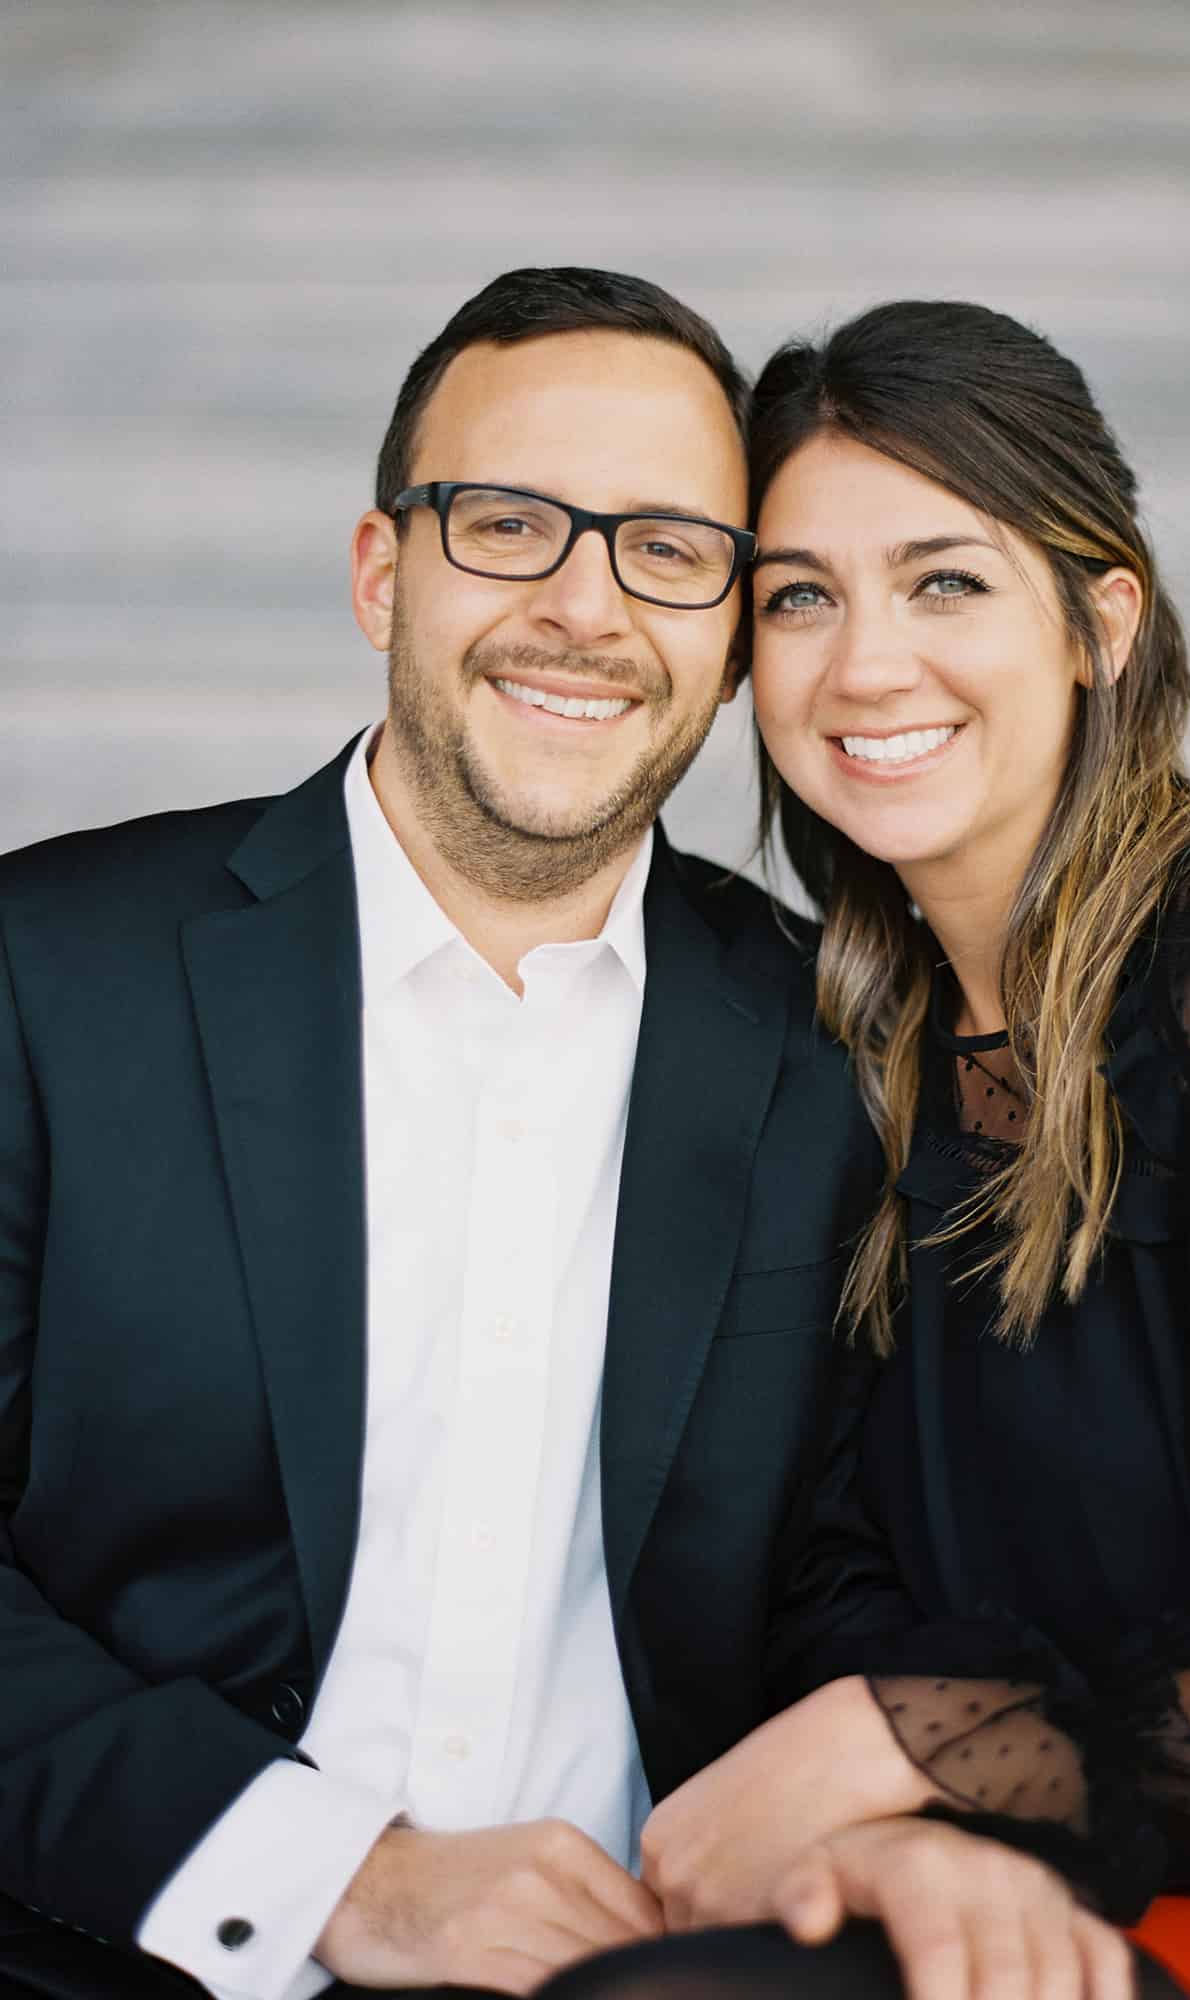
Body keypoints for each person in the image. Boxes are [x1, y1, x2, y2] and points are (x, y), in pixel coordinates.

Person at [550, 300, 1190, 2000]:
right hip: (1006, 1867)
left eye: (945, 581)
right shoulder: (844, 1028)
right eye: (799, 599)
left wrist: (916, 1748)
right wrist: (912, 1810)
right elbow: (827, 1562)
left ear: (1097, 620)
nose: (864, 665)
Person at [0, 267, 893, 1999]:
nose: (586, 605)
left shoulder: (840, 1045)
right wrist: (329, 1874)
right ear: (378, 571)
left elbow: (872, 1574)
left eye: (670, 548)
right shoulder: (45, 977)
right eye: (510, 523)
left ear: (726, 646)